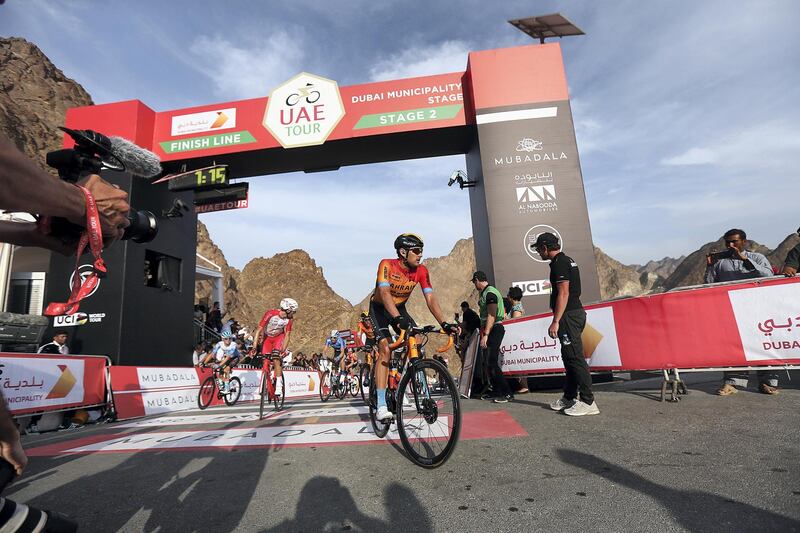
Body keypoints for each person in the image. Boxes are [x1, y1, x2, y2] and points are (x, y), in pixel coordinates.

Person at [370, 233, 456, 421]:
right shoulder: (386, 264)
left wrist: (444, 323)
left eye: (421, 251)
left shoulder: (422, 271)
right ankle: (382, 405)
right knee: (385, 349)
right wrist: (397, 318)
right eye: (416, 251)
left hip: (399, 308)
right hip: (380, 309)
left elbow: (430, 298)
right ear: (403, 252)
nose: (420, 255)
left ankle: (410, 382)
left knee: (416, 340)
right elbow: (384, 293)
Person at [533, 232, 600, 416]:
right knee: (568, 357)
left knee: (575, 358)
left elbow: (564, 293)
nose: (539, 252)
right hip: (570, 315)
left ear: (545, 248)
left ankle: (588, 401)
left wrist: (555, 321)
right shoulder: (563, 261)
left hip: (569, 316)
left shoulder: (560, 263)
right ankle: (569, 397)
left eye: (539, 249)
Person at [704, 229, 777, 395]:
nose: (731, 245)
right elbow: (708, 283)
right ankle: (732, 383)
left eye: (734, 242)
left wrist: (745, 260)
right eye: (727, 242)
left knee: (763, 344)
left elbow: (769, 275)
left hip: (758, 308)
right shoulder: (719, 263)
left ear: (744, 242)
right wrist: (709, 265)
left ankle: (767, 382)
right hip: (730, 310)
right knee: (733, 346)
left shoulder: (757, 258)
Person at [470, 271, 513, 403]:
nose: (474, 285)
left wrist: (486, 334)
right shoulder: (485, 293)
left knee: (492, 361)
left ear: (477, 280)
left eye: (474, 282)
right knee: (488, 363)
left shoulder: (490, 292)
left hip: (495, 329)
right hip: (490, 329)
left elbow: (492, 314)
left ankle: (506, 393)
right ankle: (496, 390)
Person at [253, 298, 298, 398]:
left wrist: (282, 350)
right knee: (265, 359)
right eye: (293, 311)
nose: (294, 314)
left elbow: (287, 335)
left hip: (279, 338)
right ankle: (265, 381)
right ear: (288, 310)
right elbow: (258, 330)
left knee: (276, 358)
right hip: (267, 338)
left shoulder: (289, 320)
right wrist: (254, 347)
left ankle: (278, 384)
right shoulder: (270, 313)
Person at [506, 286, 529, 394]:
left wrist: (505, 318)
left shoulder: (517, 309)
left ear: (512, 297)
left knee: (518, 363)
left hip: (517, 340)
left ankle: (524, 386)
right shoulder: (515, 307)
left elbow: (515, 322)